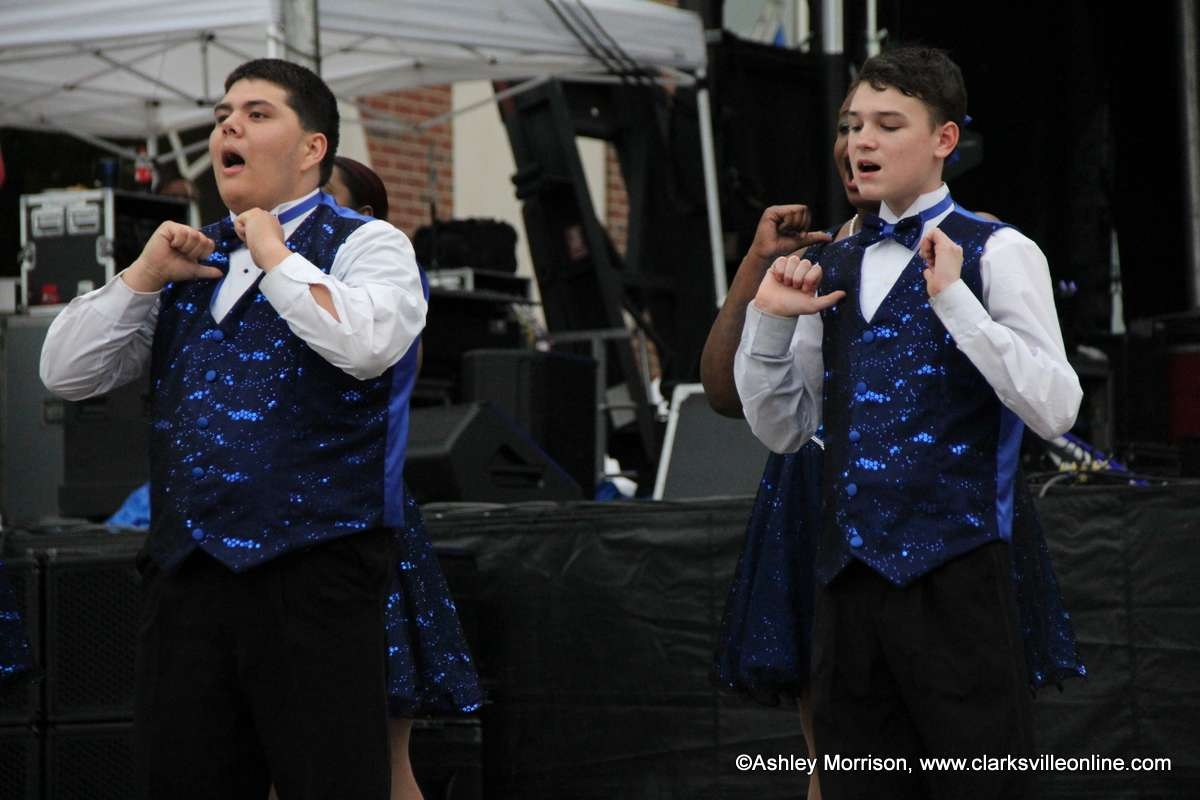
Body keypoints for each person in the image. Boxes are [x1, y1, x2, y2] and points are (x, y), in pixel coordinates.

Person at [41, 58, 426, 799]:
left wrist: (276, 254)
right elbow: (65, 372)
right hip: (185, 577)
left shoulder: (369, 245)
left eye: (256, 113)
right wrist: (141, 276)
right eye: (222, 116)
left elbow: (367, 344)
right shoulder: (188, 259)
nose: (228, 127)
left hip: (314, 570)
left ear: (312, 147)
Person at [735, 46, 1082, 800]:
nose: (860, 142)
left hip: (959, 575)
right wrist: (768, 323)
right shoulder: (834, 262)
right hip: (847, 581)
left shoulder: (999, 251)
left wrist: (957, 303)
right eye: (851, 125)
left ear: (943, 139)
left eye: (887, 125)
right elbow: (786, 429)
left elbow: (1058, 406)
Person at [325, 155, 484, 800]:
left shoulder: (383, 283)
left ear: (365, 218)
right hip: (291, 524)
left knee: (389, 758)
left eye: (326, 197)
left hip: (363, 512)